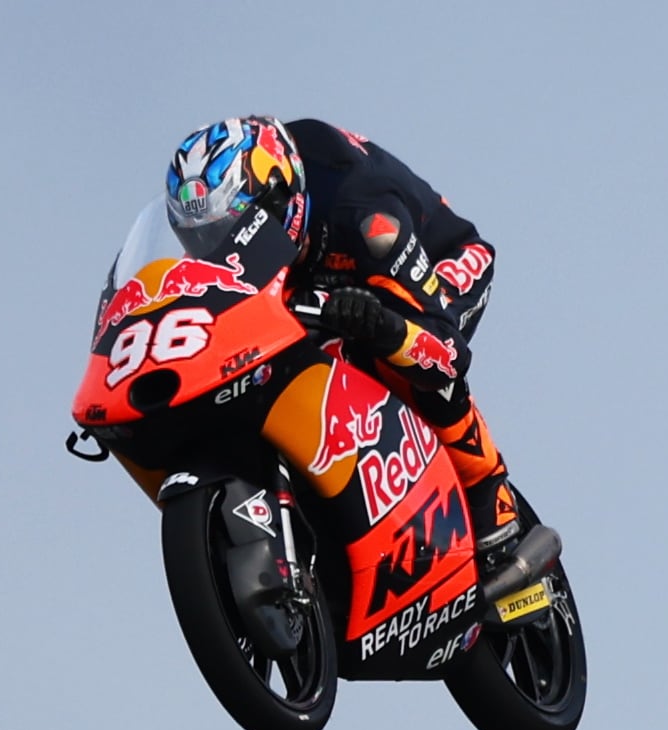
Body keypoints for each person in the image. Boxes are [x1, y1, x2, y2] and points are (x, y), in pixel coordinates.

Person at [165, 115, 542, 558]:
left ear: (279, 199)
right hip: (317, 276)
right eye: (201, 238)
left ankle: (489, 496)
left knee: (409, 355)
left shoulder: (364, 212)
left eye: (227, 232)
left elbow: (446, 352)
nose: (217, 247)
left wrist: (383, 326)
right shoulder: (254, 214)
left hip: (433, 262)